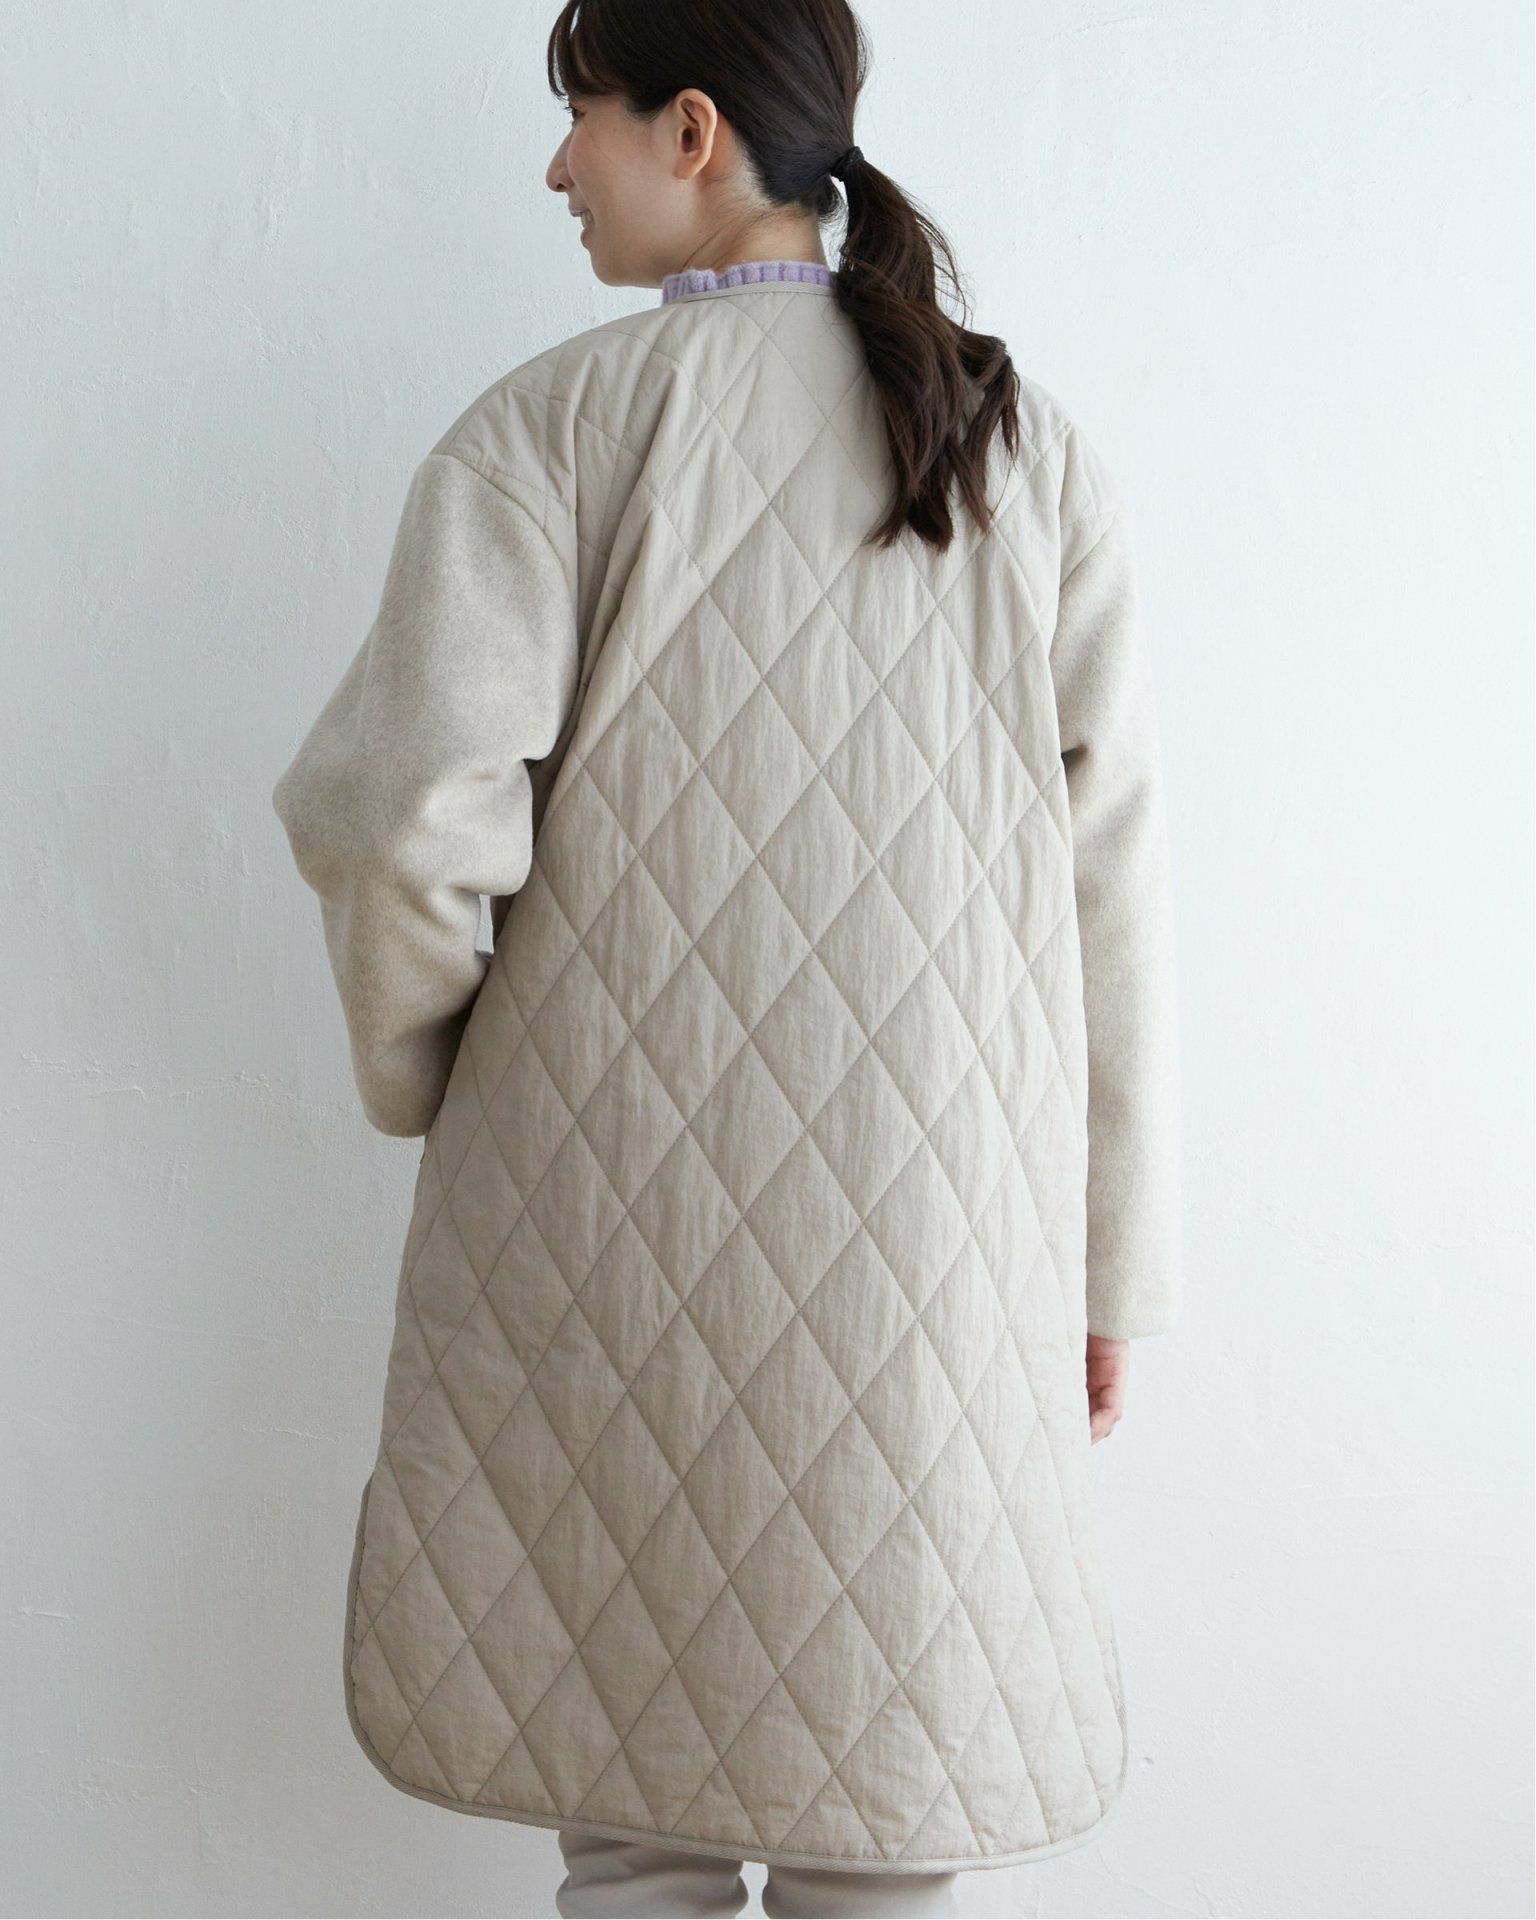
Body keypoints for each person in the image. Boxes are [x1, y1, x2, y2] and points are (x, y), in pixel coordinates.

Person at [271, 1, 1183, 1914]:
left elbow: (401, 819)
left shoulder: (548, 433)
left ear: (691, 129)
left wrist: (427, 1076)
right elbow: (1111, 888)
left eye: (580, 118)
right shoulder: (1021, 446)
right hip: (939, 1259)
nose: (556, 167)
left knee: (632, 1828)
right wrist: (1111, 1263)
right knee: (894, 1820)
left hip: (596, 1228)